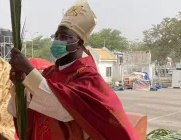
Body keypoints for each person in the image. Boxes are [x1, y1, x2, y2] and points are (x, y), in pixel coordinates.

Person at [8, 0, 139, 139]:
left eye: (65, 37)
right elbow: (30, 106)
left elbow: (64, 109)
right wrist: (20, 84)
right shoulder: (49, 73)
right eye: (57, 36)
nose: (58, 40)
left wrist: (29, 70)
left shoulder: (88, 78)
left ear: (79, 43)